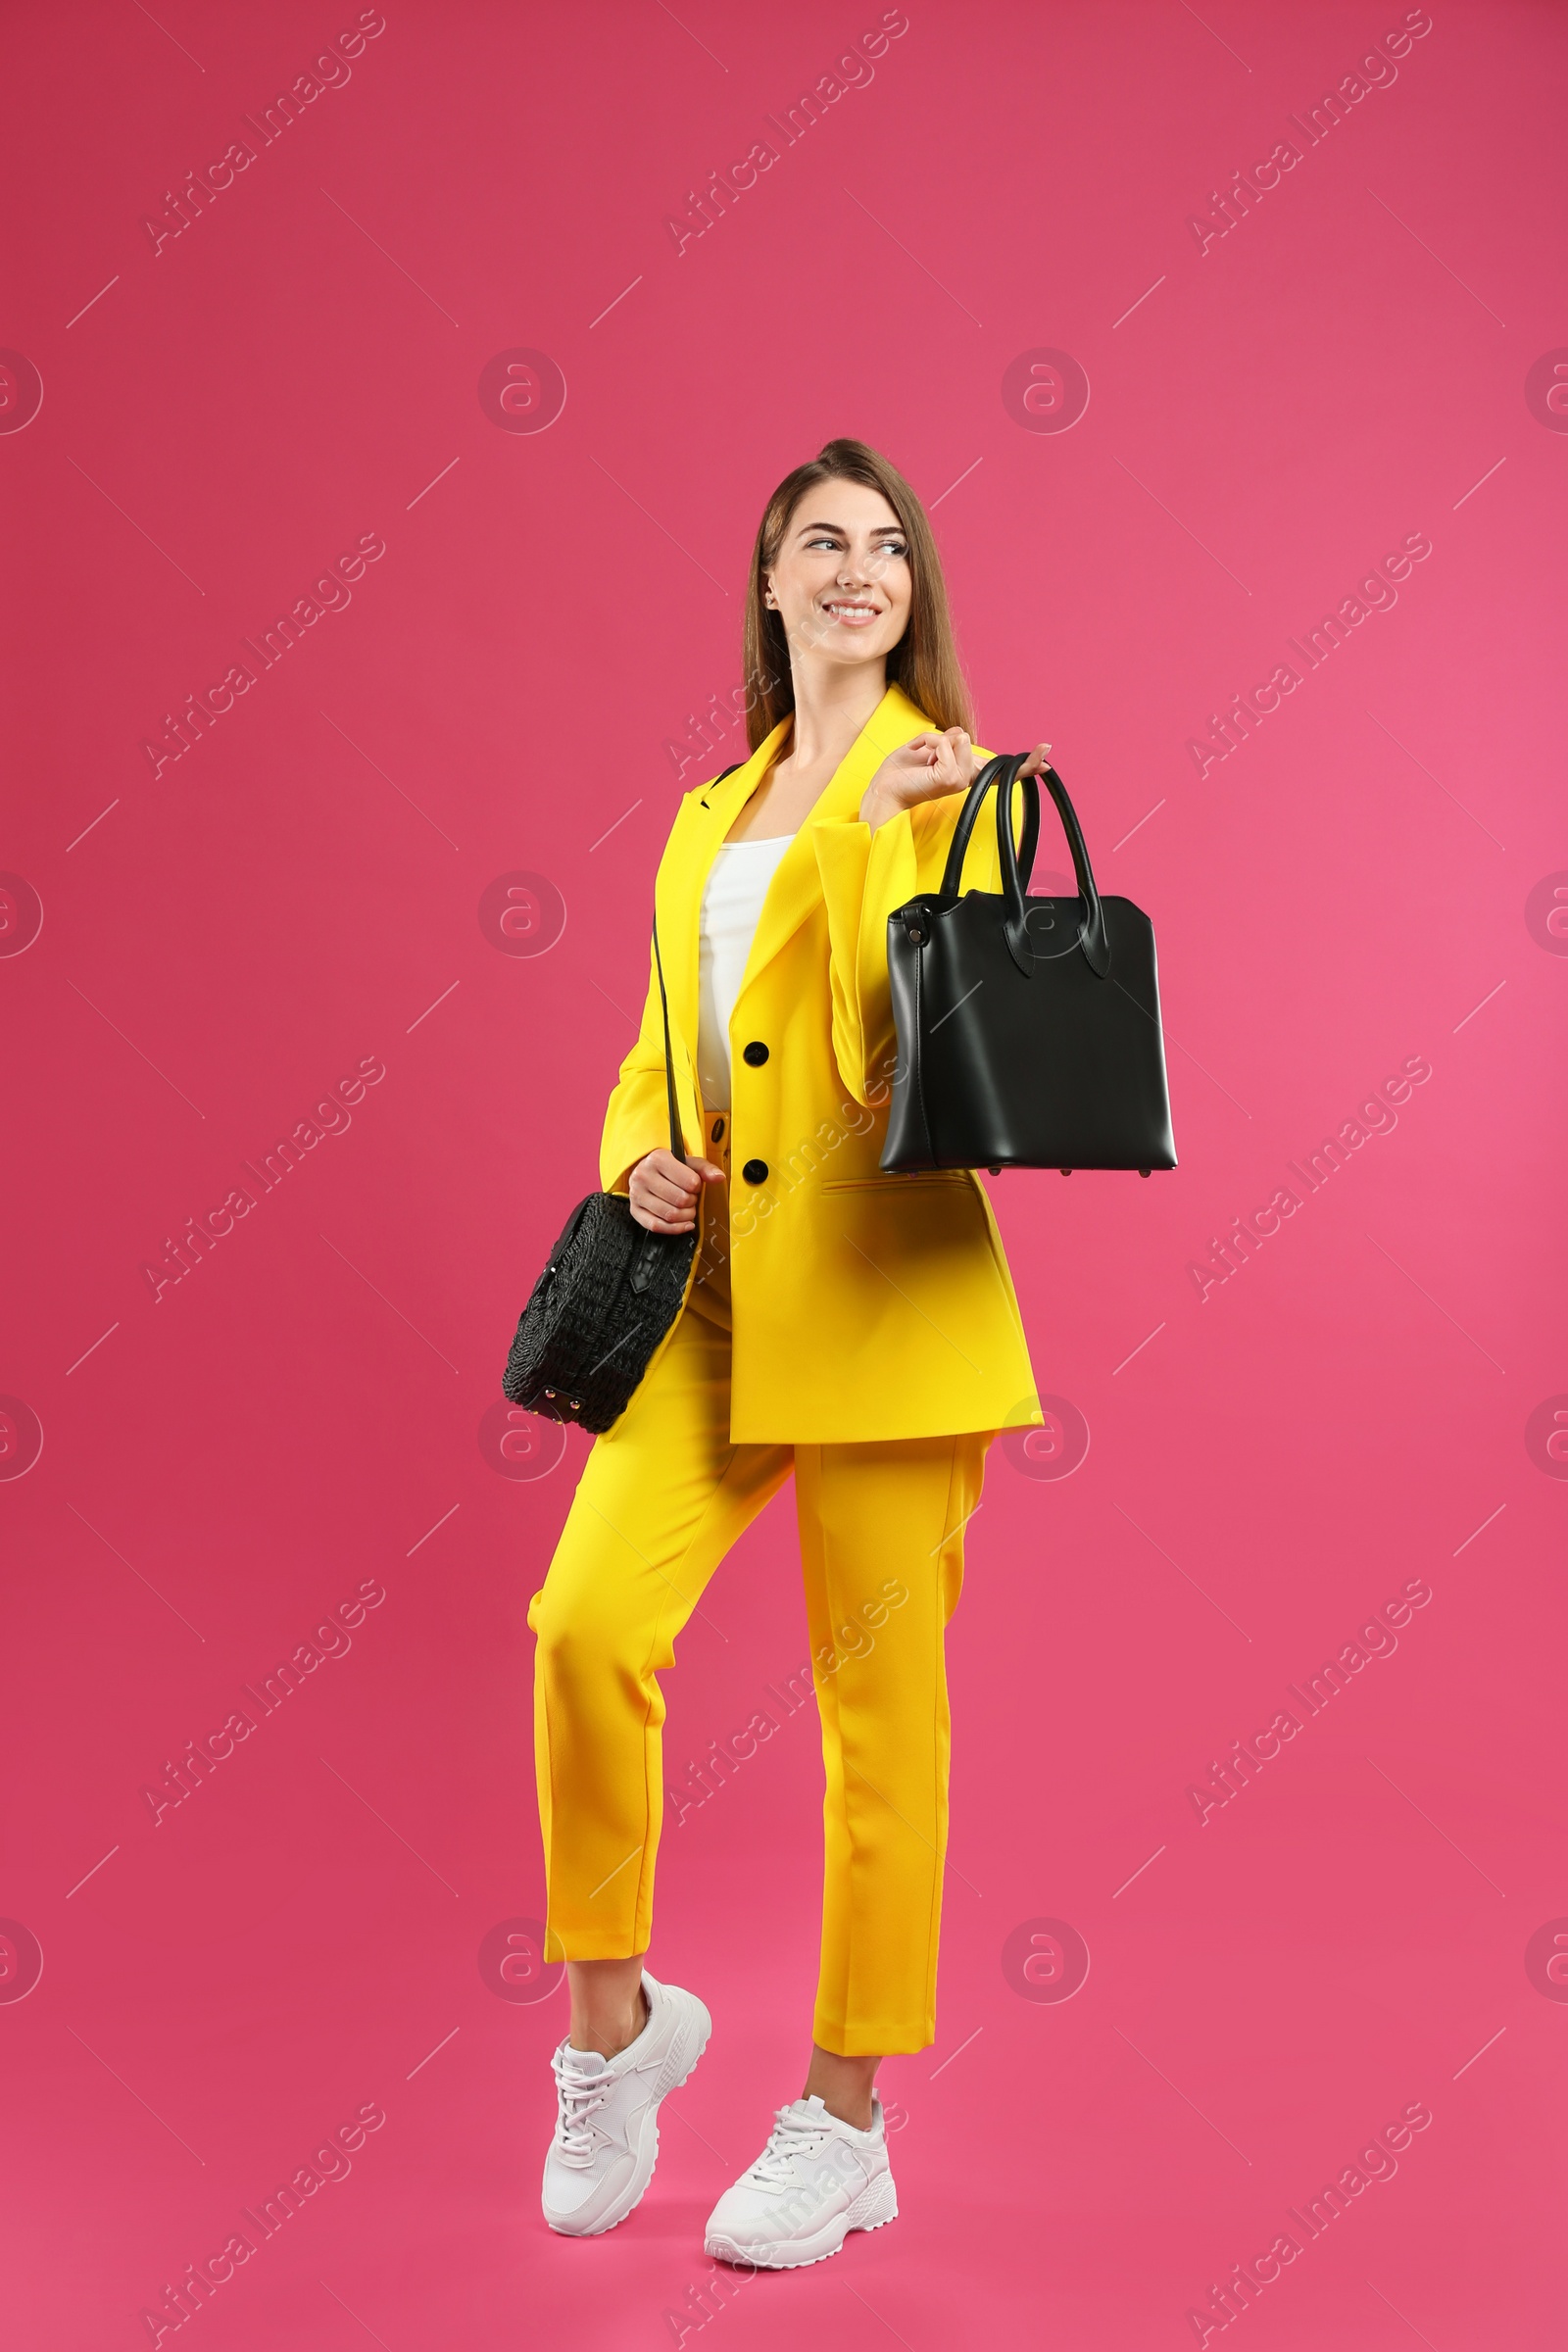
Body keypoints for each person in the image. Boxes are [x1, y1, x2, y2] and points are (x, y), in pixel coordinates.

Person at [526, 436, 1048, 2269]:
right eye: (821, 543)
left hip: (889, 1309)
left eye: (886, 547)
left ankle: (845, 2117)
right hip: (708, 1305)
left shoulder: (941, 784)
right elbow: (657, 1040)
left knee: (877, 1729)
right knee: (584, 1629)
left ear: (914, 592)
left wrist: (917, 818)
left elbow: (907, 1049)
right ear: (767, 582)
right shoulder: (704, 813)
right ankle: (617, 2030)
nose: (855, 570)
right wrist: (631, 1160)